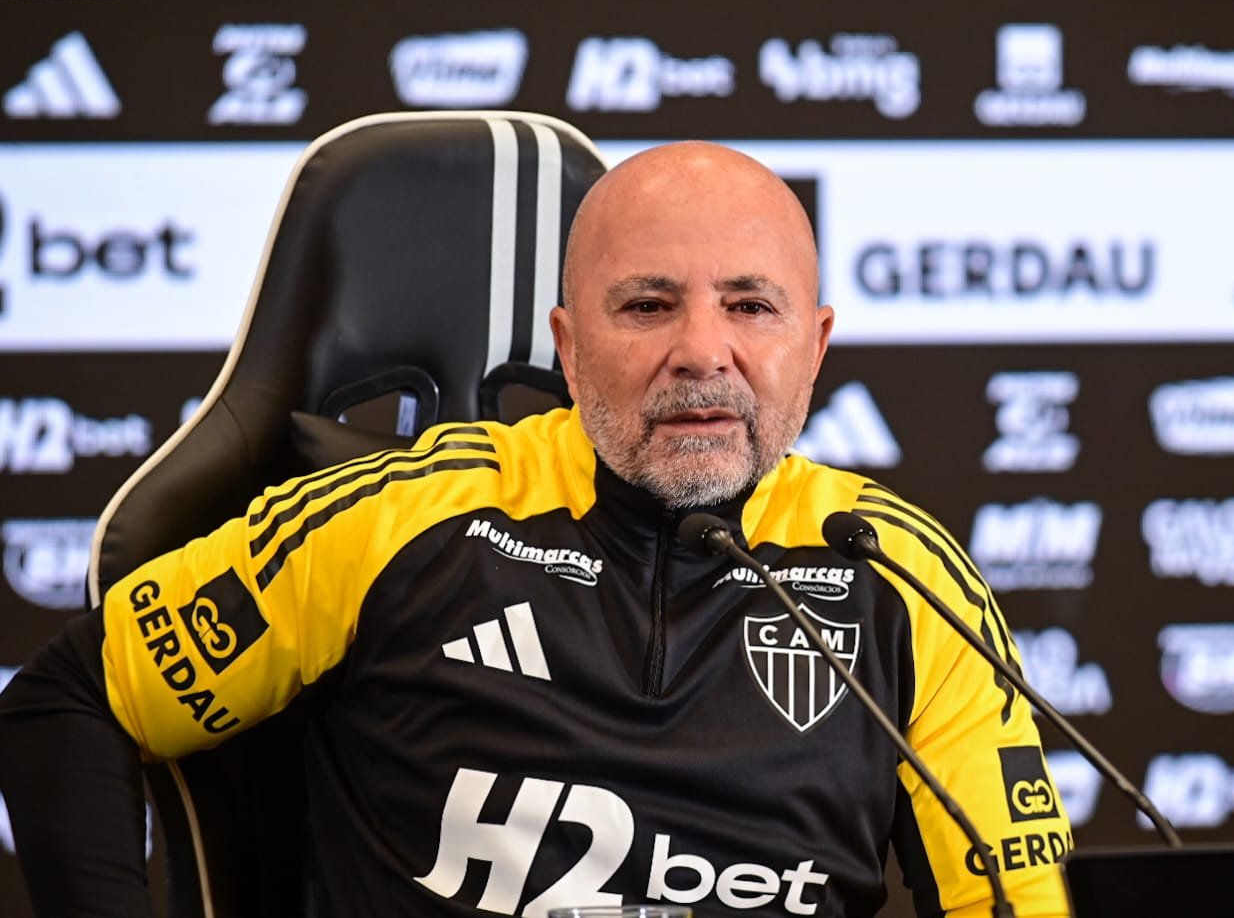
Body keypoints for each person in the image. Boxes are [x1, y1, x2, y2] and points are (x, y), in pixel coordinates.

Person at [0, 142, 1071, 917]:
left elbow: (1017, 898)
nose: (703, 351)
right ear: (568, 344)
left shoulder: (900, 574)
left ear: (816, 344)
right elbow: (74, 697)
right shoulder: (400, 516)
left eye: (751, 306)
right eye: (647, 305)